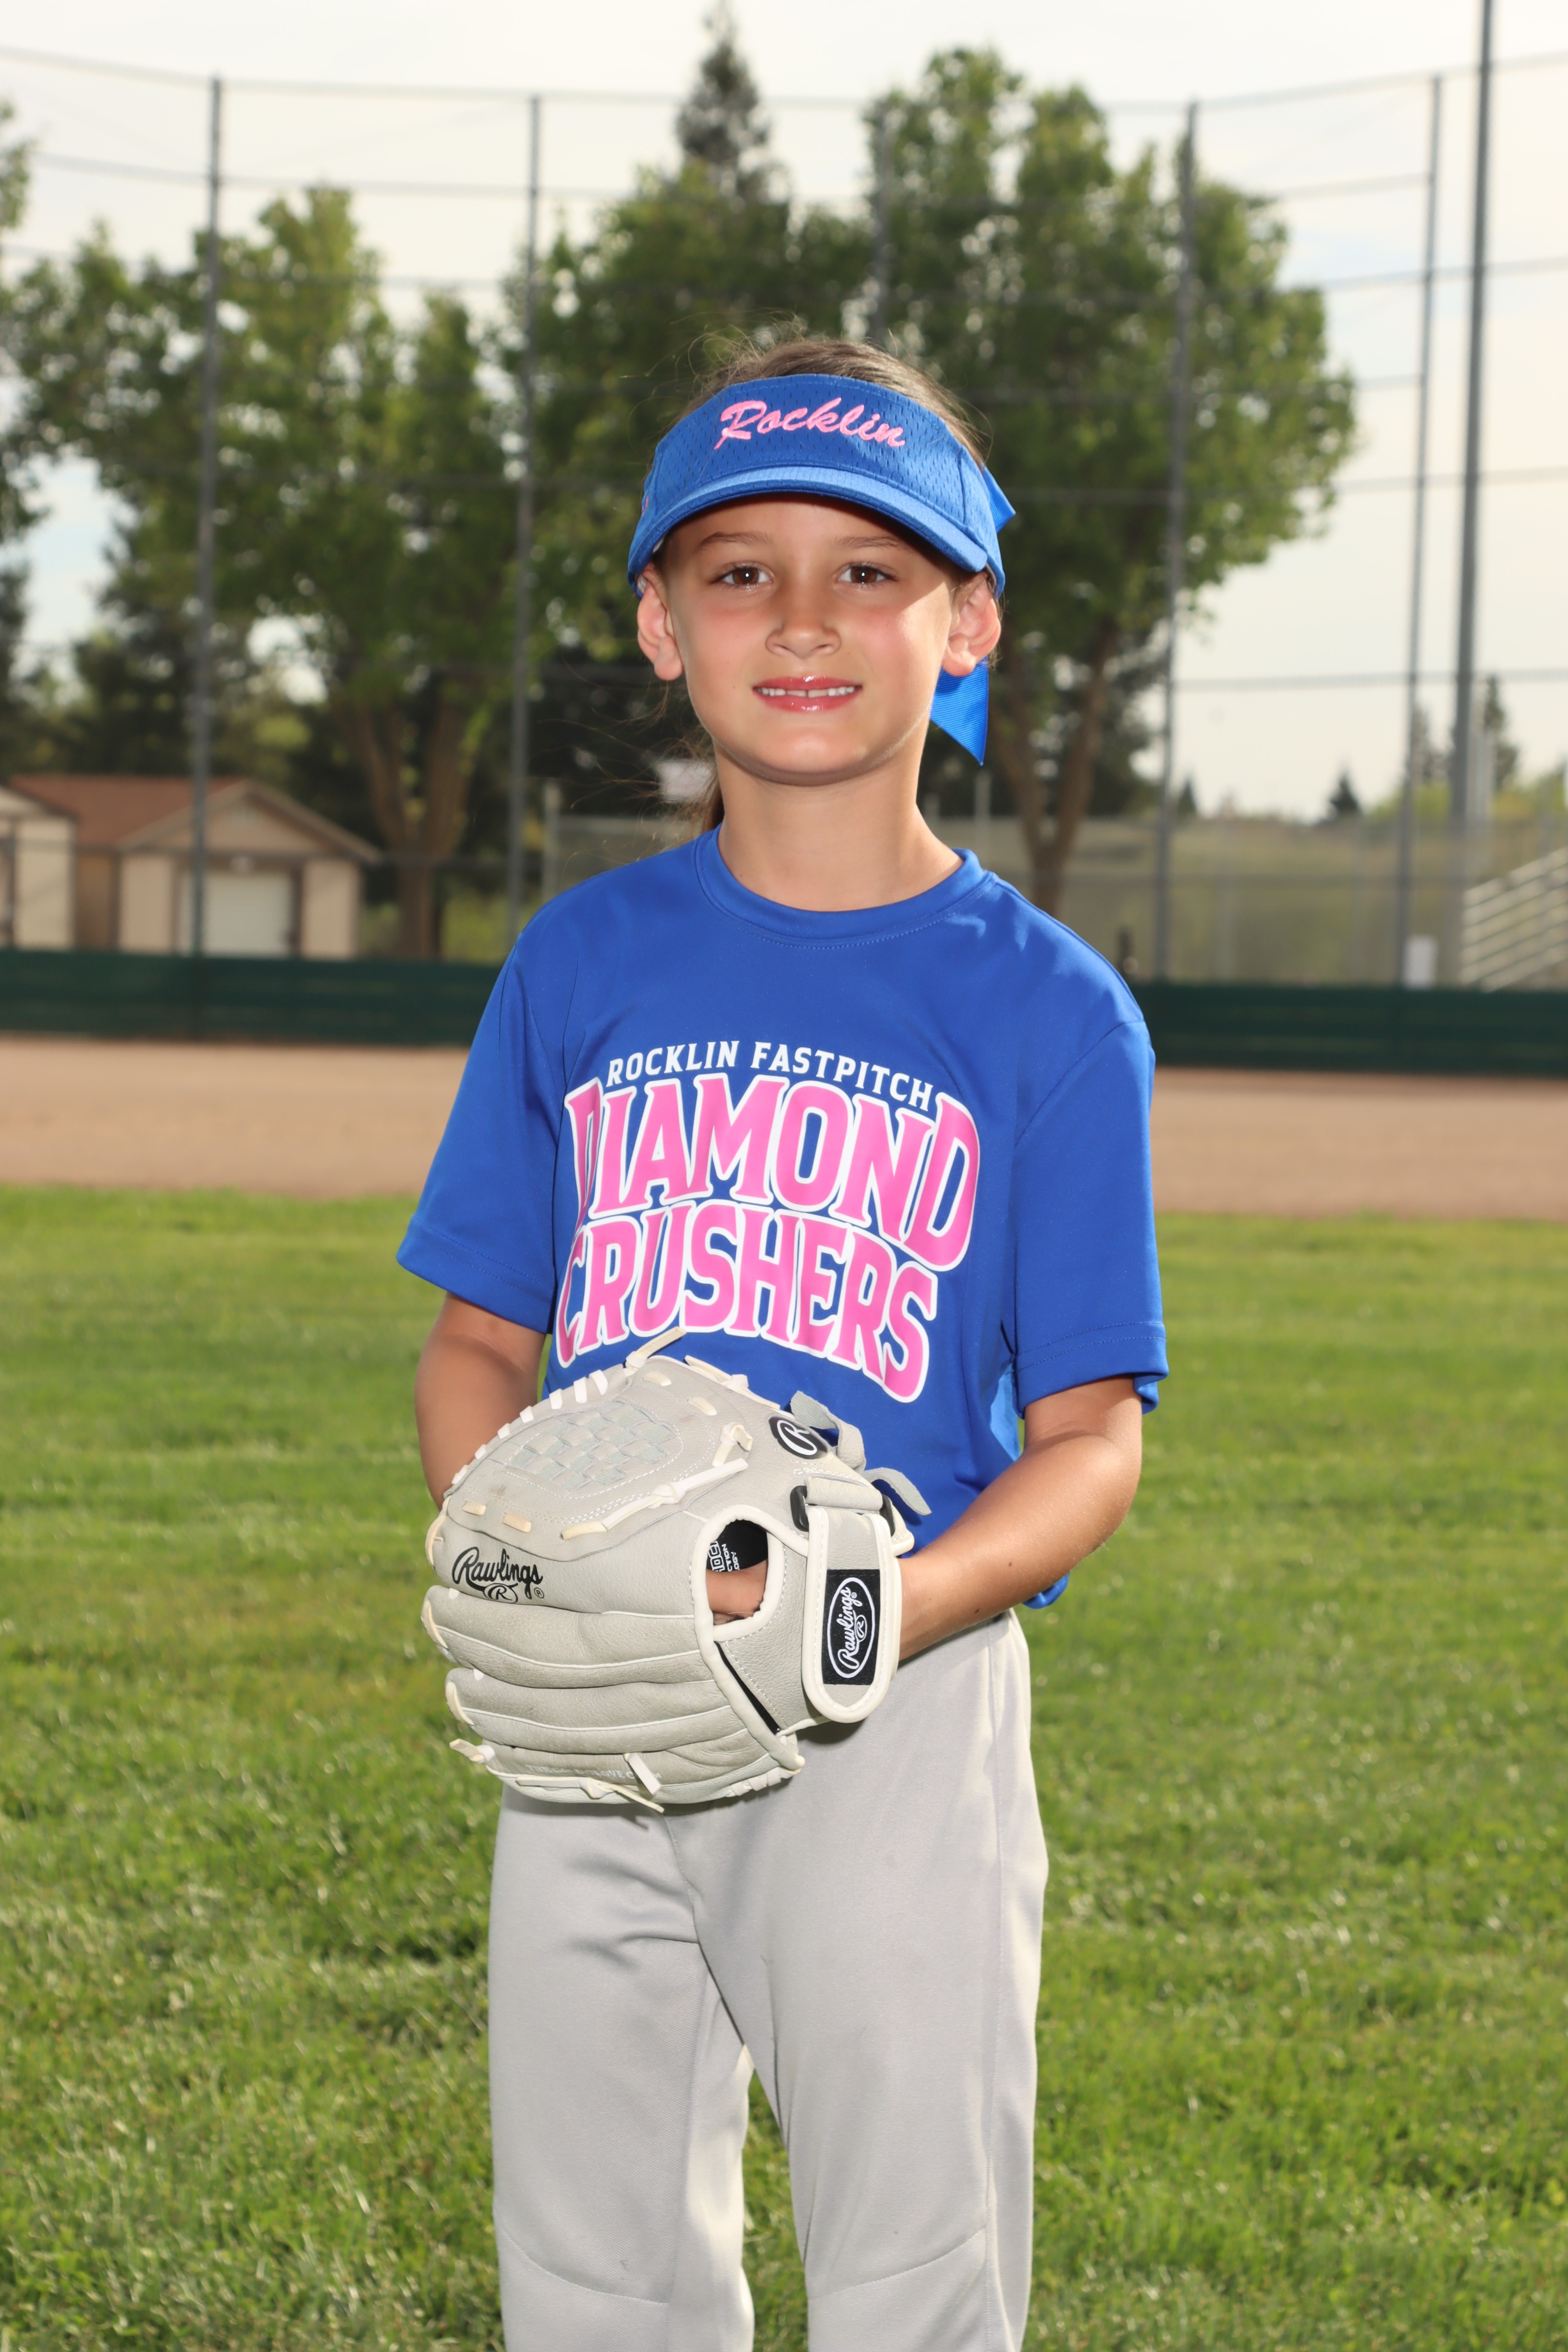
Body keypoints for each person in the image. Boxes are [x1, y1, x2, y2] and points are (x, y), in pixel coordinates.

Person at [398, 337, 1167, 2352]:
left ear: (967, 622)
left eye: (868, 571)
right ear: (663, 627)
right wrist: (537, 1565)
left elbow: (1091, 1437)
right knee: (593, 2268)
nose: (802, 620)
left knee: (913, 2262)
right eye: (739, 572)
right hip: (598, 1703)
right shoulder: (580, 960)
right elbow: (478, 1343)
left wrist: (868, 1614)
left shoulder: (1047, 1009)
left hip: (885, 1702)